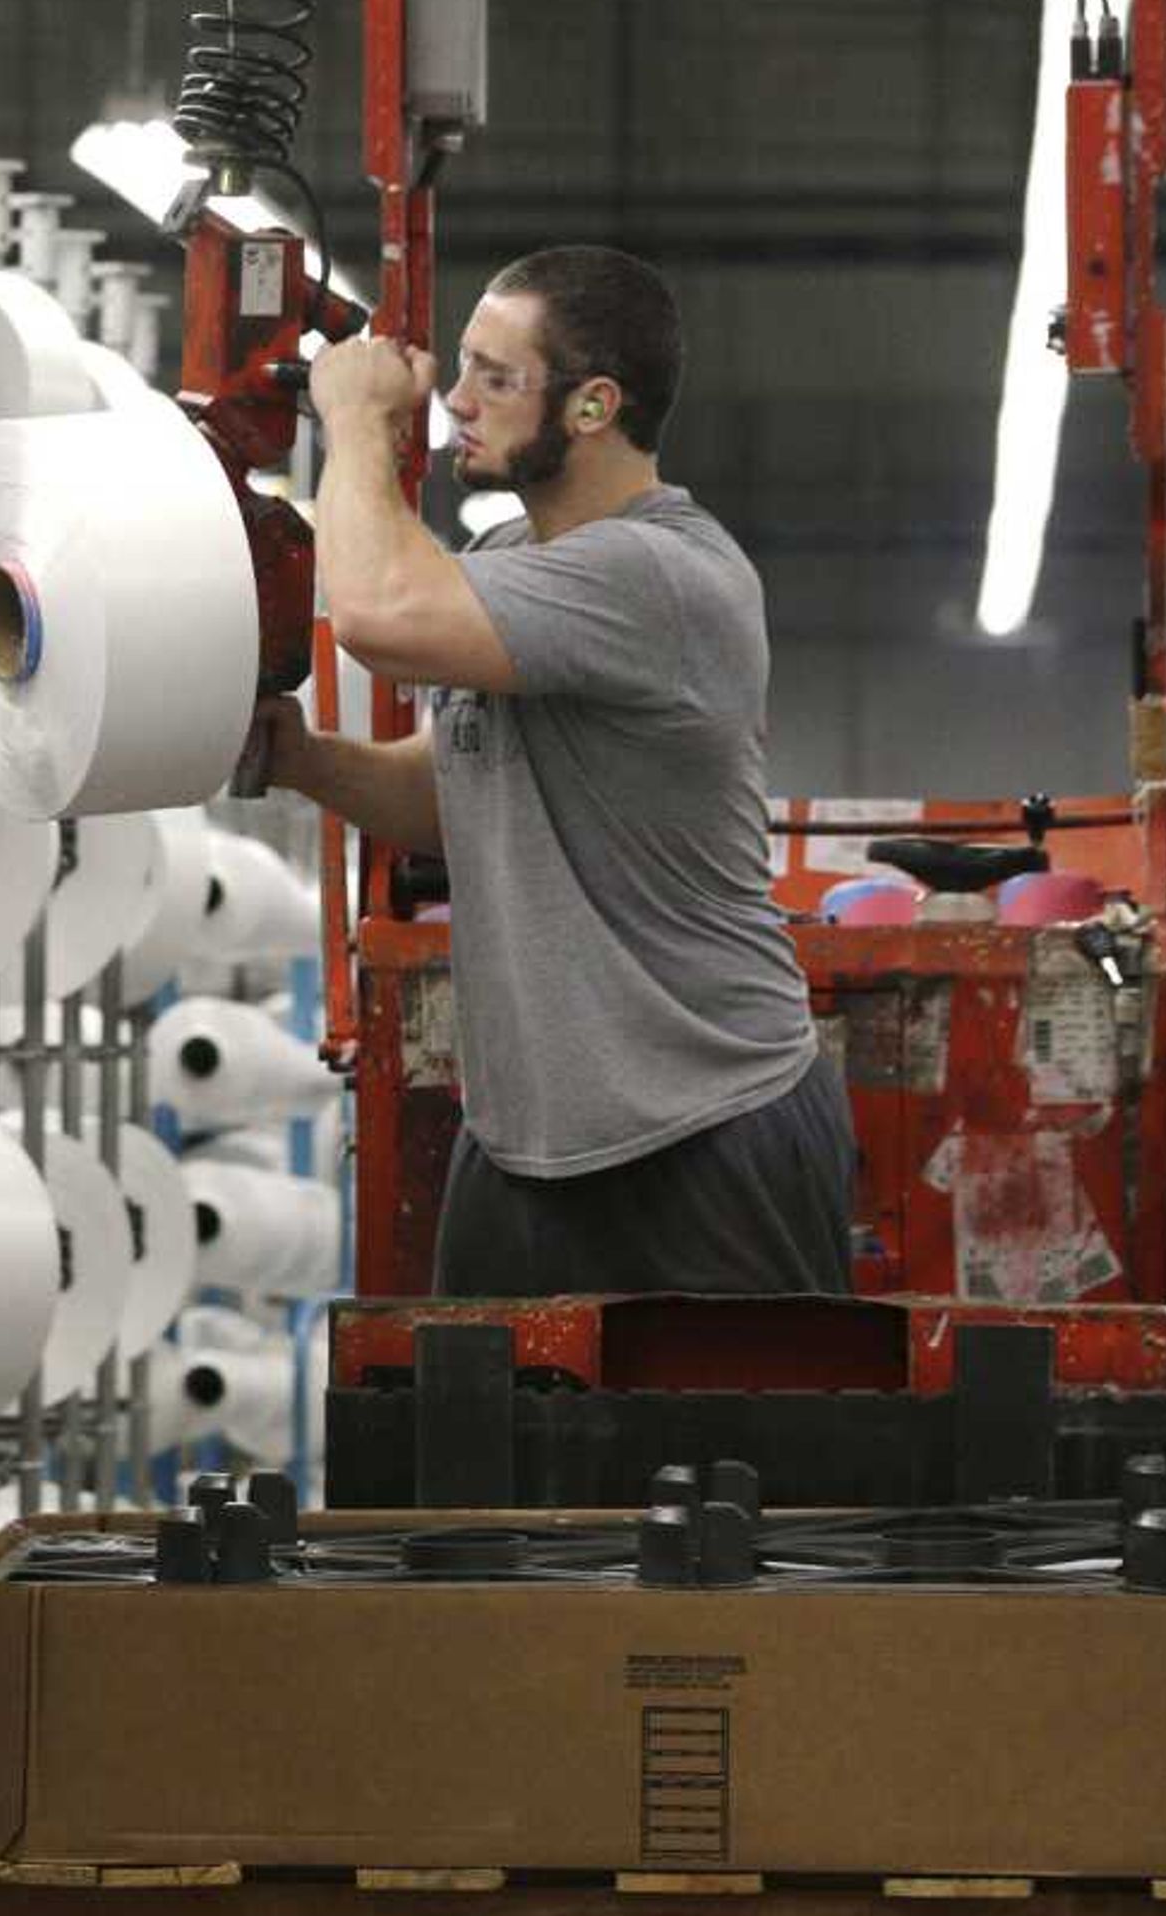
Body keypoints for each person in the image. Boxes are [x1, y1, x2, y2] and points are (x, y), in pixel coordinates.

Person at [251, 245, 855, 1298]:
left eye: (497, 376)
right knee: (483, 1458)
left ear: (593, 407)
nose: (457, 403)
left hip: (705, 1126)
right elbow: (460, 792)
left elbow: (378, 615)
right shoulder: (503, 568)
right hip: (527, 1142)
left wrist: (356, 422)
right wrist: (305, 761)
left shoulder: (659, 574)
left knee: (728, 1461)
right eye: (463, 370)